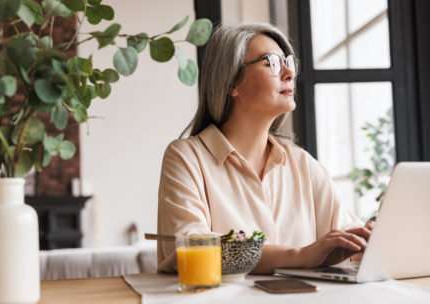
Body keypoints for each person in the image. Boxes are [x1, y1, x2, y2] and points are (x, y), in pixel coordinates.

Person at [156, 23, 373, 274]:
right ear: (231, 83)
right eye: (271, 62)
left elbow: (346, 239)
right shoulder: (186, 157)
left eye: (288, 62)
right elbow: (191, 247)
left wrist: (367, 241)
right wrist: (300, 255)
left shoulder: (304, 164)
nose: (289, 73)